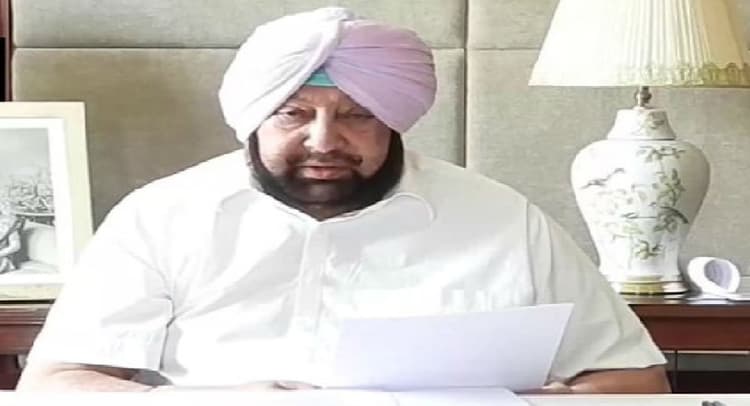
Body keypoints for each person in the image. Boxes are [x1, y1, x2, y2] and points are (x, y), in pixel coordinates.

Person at [17, 7, 670, 393]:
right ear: (253, 119)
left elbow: (635, 382)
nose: (324, 140)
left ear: (394, 120)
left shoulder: (504, 220)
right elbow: (54, 385)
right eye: (294, 113)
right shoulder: (160, 217)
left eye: (358, 115)